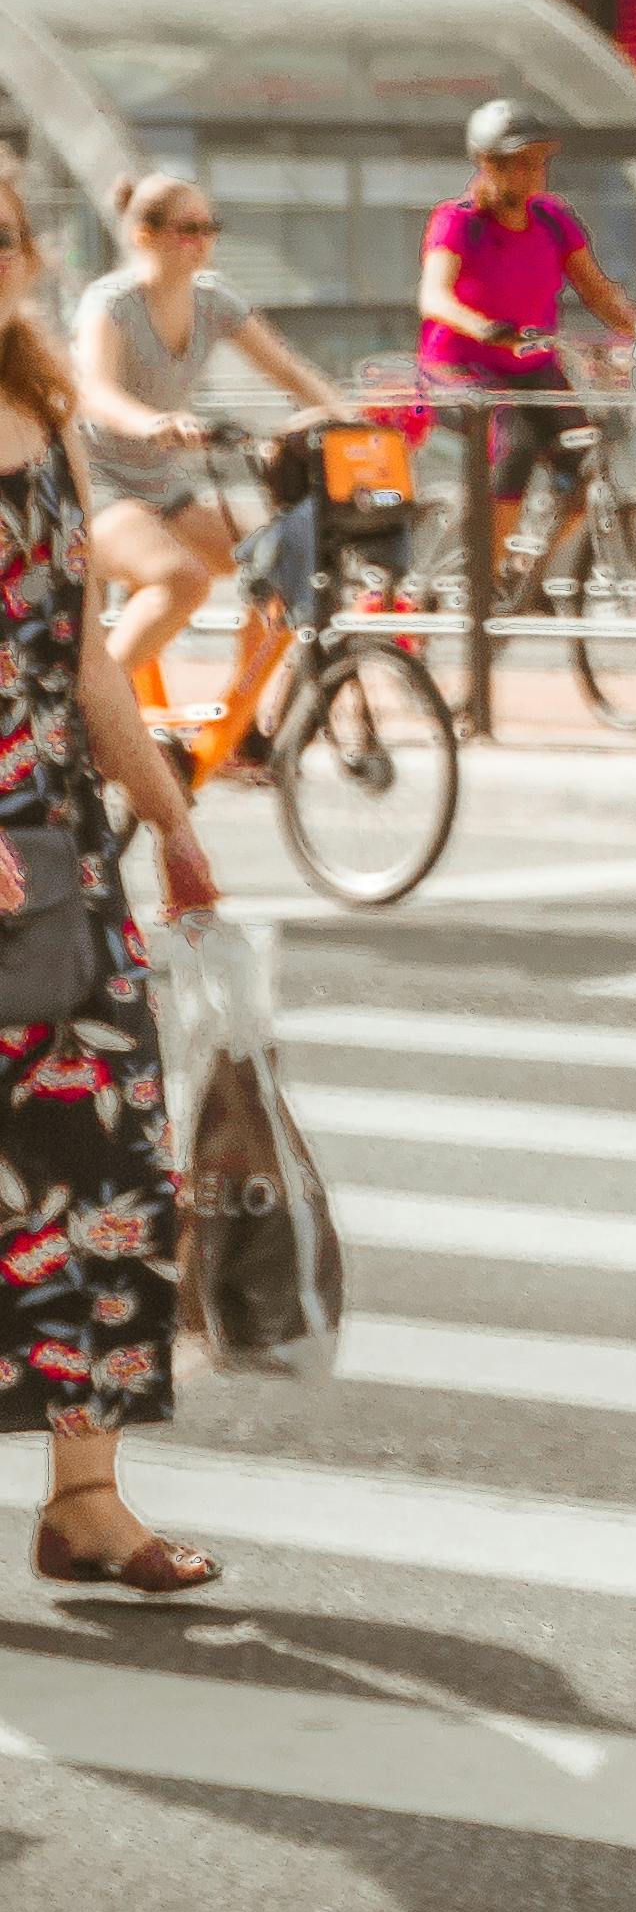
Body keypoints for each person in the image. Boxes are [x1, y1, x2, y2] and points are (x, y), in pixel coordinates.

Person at [0, 171, 227, 1594]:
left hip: (59, 849)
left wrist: (168, 808)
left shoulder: (46, 416)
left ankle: (88, 1497)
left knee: (109, 1169)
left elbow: (86, 657)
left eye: (6, 228)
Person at [72, 168, 349, 685]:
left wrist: (349, 420)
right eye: (187, 228)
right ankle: (88, 711)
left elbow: (288, 370)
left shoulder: (214, 299)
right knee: (182, 580)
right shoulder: (111, 303)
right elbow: (96, 392)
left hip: (161, 485)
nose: (203, 241)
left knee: (276, 572)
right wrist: (154, 422)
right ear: (144, 235)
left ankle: (240, 731)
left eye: (210, 227)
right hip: (94, 486)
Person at [416, 100, 636, 543]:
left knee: (585, 463)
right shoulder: (457, 221)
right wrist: (483, 327)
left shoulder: (553, 219)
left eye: (538, 163)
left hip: (530, 364)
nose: (533, 173)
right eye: (519, 164)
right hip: (459, 370)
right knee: (515, 446)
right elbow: (433, 296)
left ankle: (527, 576)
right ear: (486, 163)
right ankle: (489, 582)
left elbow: (596, 291)